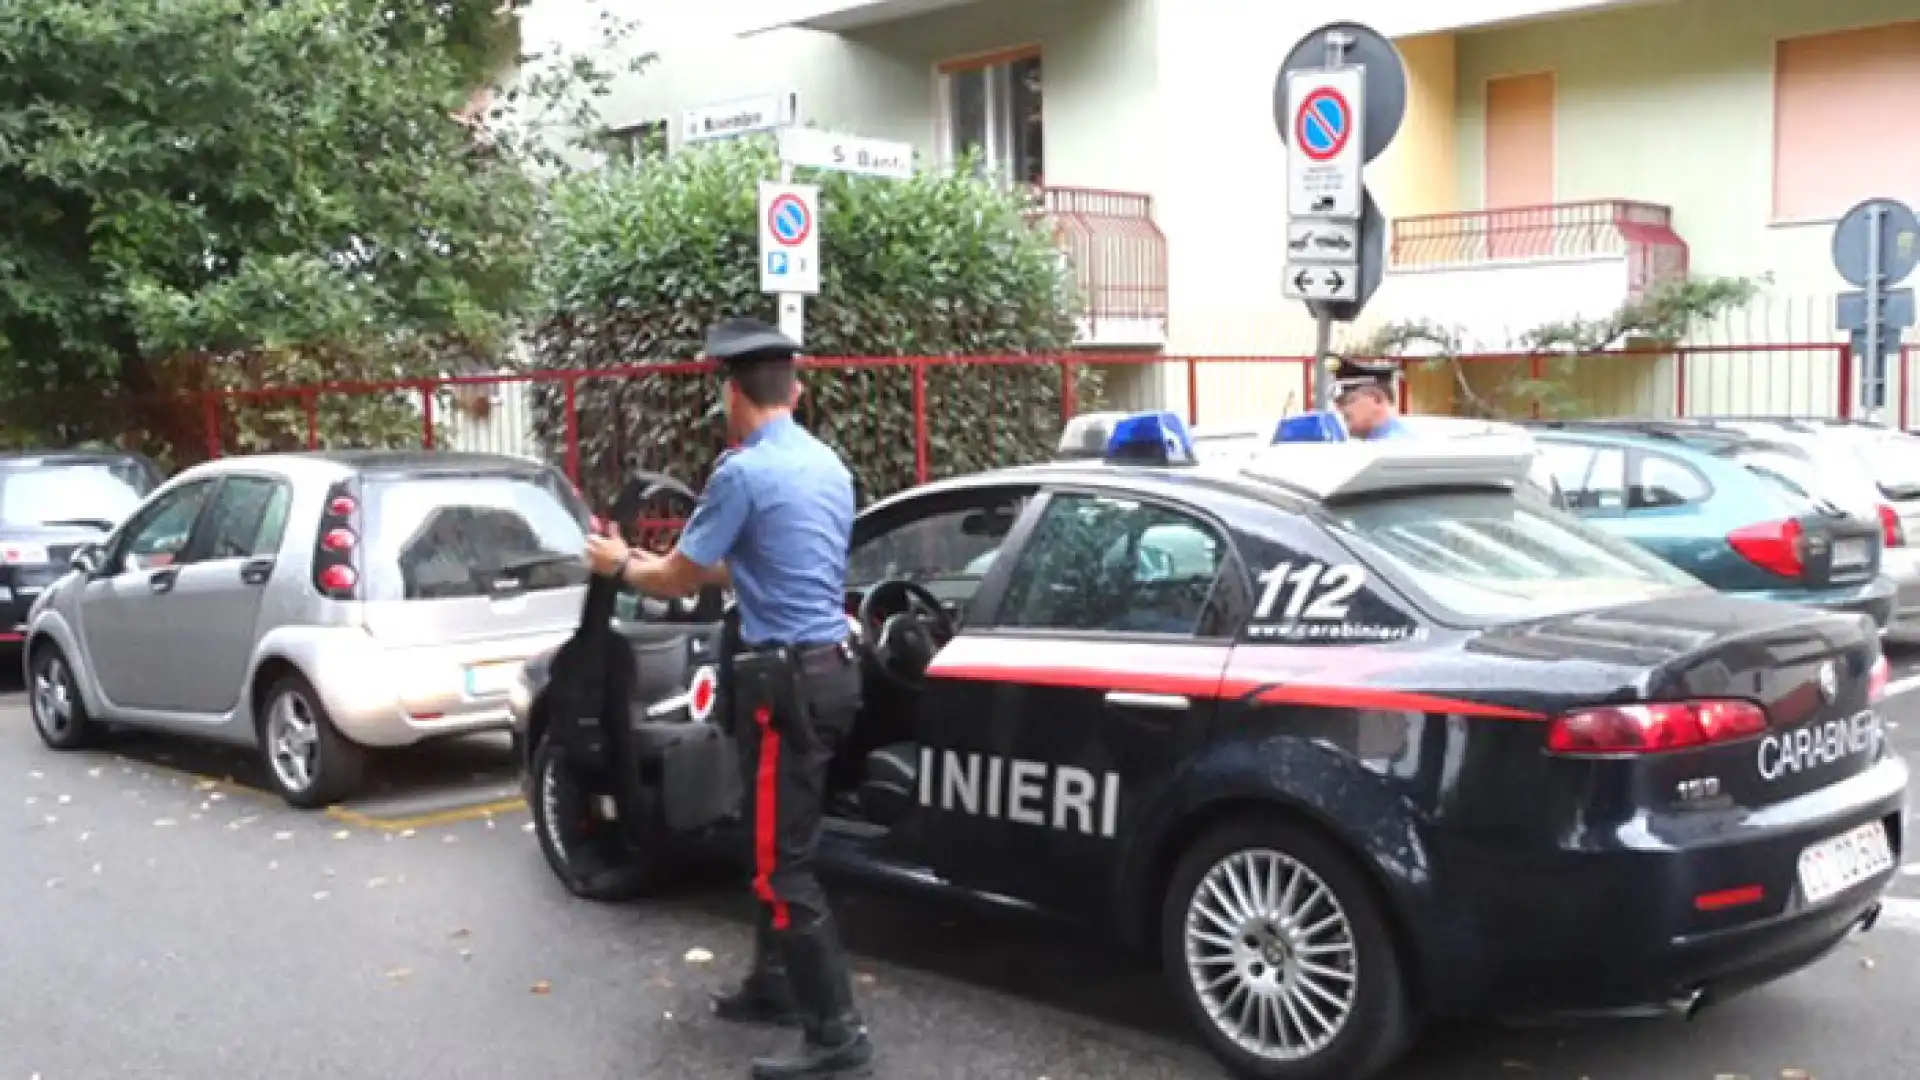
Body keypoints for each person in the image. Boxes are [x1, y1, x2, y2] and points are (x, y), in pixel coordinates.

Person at [584, 316, 872, 1080]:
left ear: (731, 396)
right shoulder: (827, 466)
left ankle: (838, 1037)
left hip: (785, 687)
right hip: (832, 672)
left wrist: (619, 564)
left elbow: (679, 579)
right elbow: (747, 566)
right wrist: (663, 561)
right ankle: (773, 984)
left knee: (784, 864)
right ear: (796, 390)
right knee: (775, 837)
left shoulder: (741, 473)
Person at [1330, 357, 1414, 440]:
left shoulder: (1396, 445)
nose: (1339, 408)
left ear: (1377, 399)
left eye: (1347, 400)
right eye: (1337, 402)